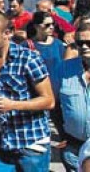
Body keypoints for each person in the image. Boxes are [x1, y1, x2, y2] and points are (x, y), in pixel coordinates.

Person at [0, 13, 55, 171]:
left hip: (31, 143)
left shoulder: (28, 58)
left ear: (8, 33)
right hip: (3, 143)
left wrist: (12, 105)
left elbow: (48, 101)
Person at [53, 22, 90, 171]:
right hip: (74, 148)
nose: (85, 47)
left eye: (89, 42)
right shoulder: (63, 68)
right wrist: (62, 134)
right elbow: (53, 104)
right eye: (80, 42)